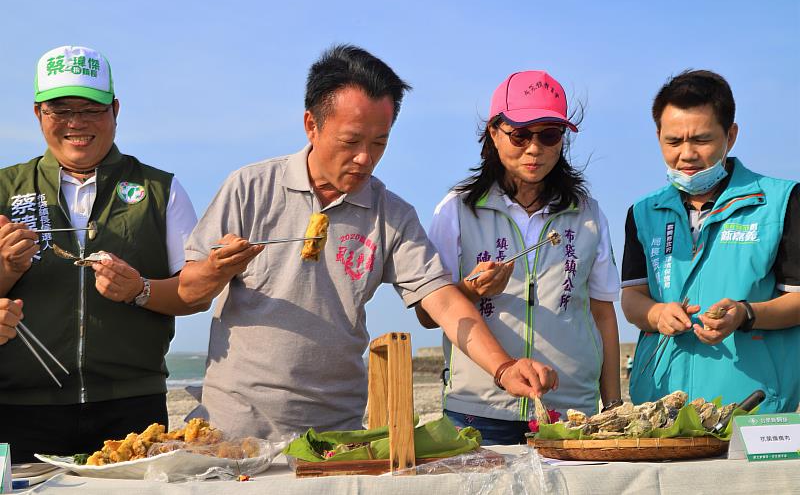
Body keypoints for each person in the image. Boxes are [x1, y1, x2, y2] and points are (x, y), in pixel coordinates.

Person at [178, 45, 559, 440]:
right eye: (350, 141)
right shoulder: (250, 188)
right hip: (233, 428)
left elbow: (442, 301)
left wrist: (502, 368)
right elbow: (189, 292)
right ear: (311, 124)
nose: (365, 158)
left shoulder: (390, 214)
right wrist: (215, 269)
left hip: (335, 434)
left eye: (379, 142)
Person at [0, 46, 205, 463]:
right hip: (19, 409)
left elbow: (196, 293)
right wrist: (3, 270)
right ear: (39, 114)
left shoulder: (160, 190)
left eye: (91, 109)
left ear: (115, 110)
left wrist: (141, 289)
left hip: (133, 407)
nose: (76, 123)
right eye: (61, 110)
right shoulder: (5, 190)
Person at [418, 70, 622, 444]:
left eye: (549, 135)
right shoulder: (456, 210)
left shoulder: (588, 214)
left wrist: (612, 405)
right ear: (494, 133)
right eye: (520, 135)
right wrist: (470, 290)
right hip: (479, 411)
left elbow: (603, 313)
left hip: (571, 409)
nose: (534, 149)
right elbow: (428, 314)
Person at [621, 70, 800, 413]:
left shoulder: (782, 202)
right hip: (661, 405)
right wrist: (657, 314)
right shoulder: (642, 213)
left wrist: (746, 313)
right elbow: (632, 299)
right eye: (673, 142)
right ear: (658, 136)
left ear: (730, 136)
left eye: (701, 140)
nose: (686, 154)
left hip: (752, 404)